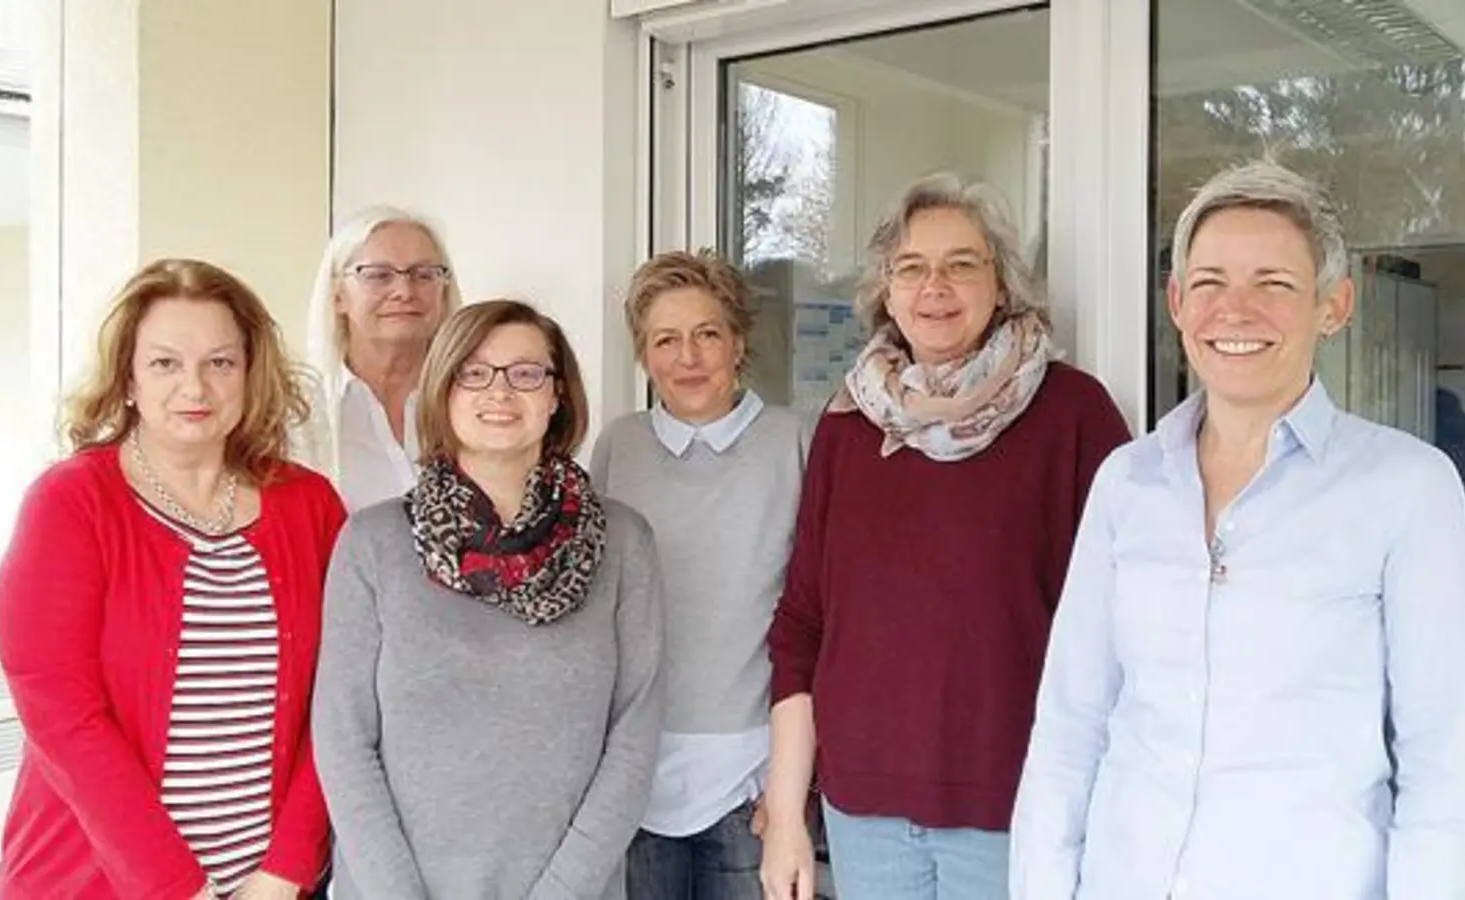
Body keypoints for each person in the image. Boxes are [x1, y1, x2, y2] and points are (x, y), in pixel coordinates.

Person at [1009, 160, 1465, 899]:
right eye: (1208, 283)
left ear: (1334, 305)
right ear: (1175, 302)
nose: (1235, 311)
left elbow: (1443, 761)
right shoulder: (1126, 483)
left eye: (1273, 283)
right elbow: (1071, 725)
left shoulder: (1407, 488)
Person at [760, 173, 1131, 900]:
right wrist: (784, 813)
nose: (935, 286)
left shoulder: (1073, 415)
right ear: (886, 291)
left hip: (1017, 812)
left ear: (1003, 283)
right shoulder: (847, 425)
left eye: (962, 263)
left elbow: (1122, 629)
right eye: (911, 267)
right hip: (862, 812)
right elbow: (803, 623)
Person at [0, 259, 349, 899]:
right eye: (165, 363)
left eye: (220, 362)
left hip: (267, 886)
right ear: (127, 377)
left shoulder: (311, 506)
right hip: (95, 882)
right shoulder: (70, 503)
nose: (197, 387)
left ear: (249, 374)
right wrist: (177, 889)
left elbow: (341, 698)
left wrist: (287, 868)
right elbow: (60, 713)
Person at [312, 299, 665, 899]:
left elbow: (634, 737)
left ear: (557, 396)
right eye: (473, 372)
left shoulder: (623, 542)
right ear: (443, 391)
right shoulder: (374, 543)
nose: (499, 391)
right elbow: (343, 741)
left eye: (526, 373)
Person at [592, 250, 815, 900]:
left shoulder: (794, 442)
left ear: (738, 342)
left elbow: (820, 613)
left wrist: (793, 781)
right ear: (643, 354)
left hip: (752, 773)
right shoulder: (619, 446)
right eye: (666, 339)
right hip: (639, 769)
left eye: (707, 334)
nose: (687, 357)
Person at [300, 206, 462, 510]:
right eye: (378, 275)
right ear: (337, 295)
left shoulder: (478, 402)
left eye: (424, 274)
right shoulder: (298, 415)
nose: (404, 291)